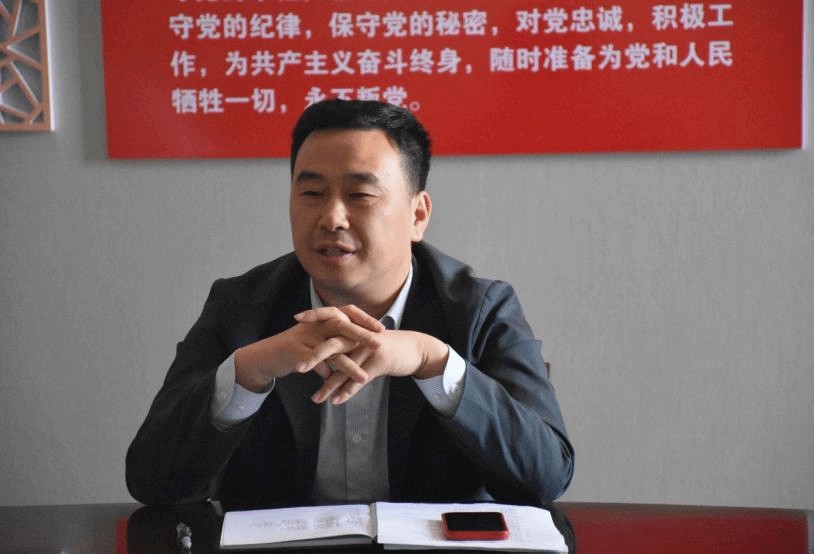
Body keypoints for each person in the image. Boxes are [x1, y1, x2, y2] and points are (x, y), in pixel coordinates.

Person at [126, 99, 574, 509]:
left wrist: (432, 361)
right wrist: (250, 371)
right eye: (311, 194)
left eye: (359, 195)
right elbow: (152, 481)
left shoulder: (480, 310)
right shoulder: (241, 307)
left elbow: (547, 475)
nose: (331, 218)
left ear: (417, 215)